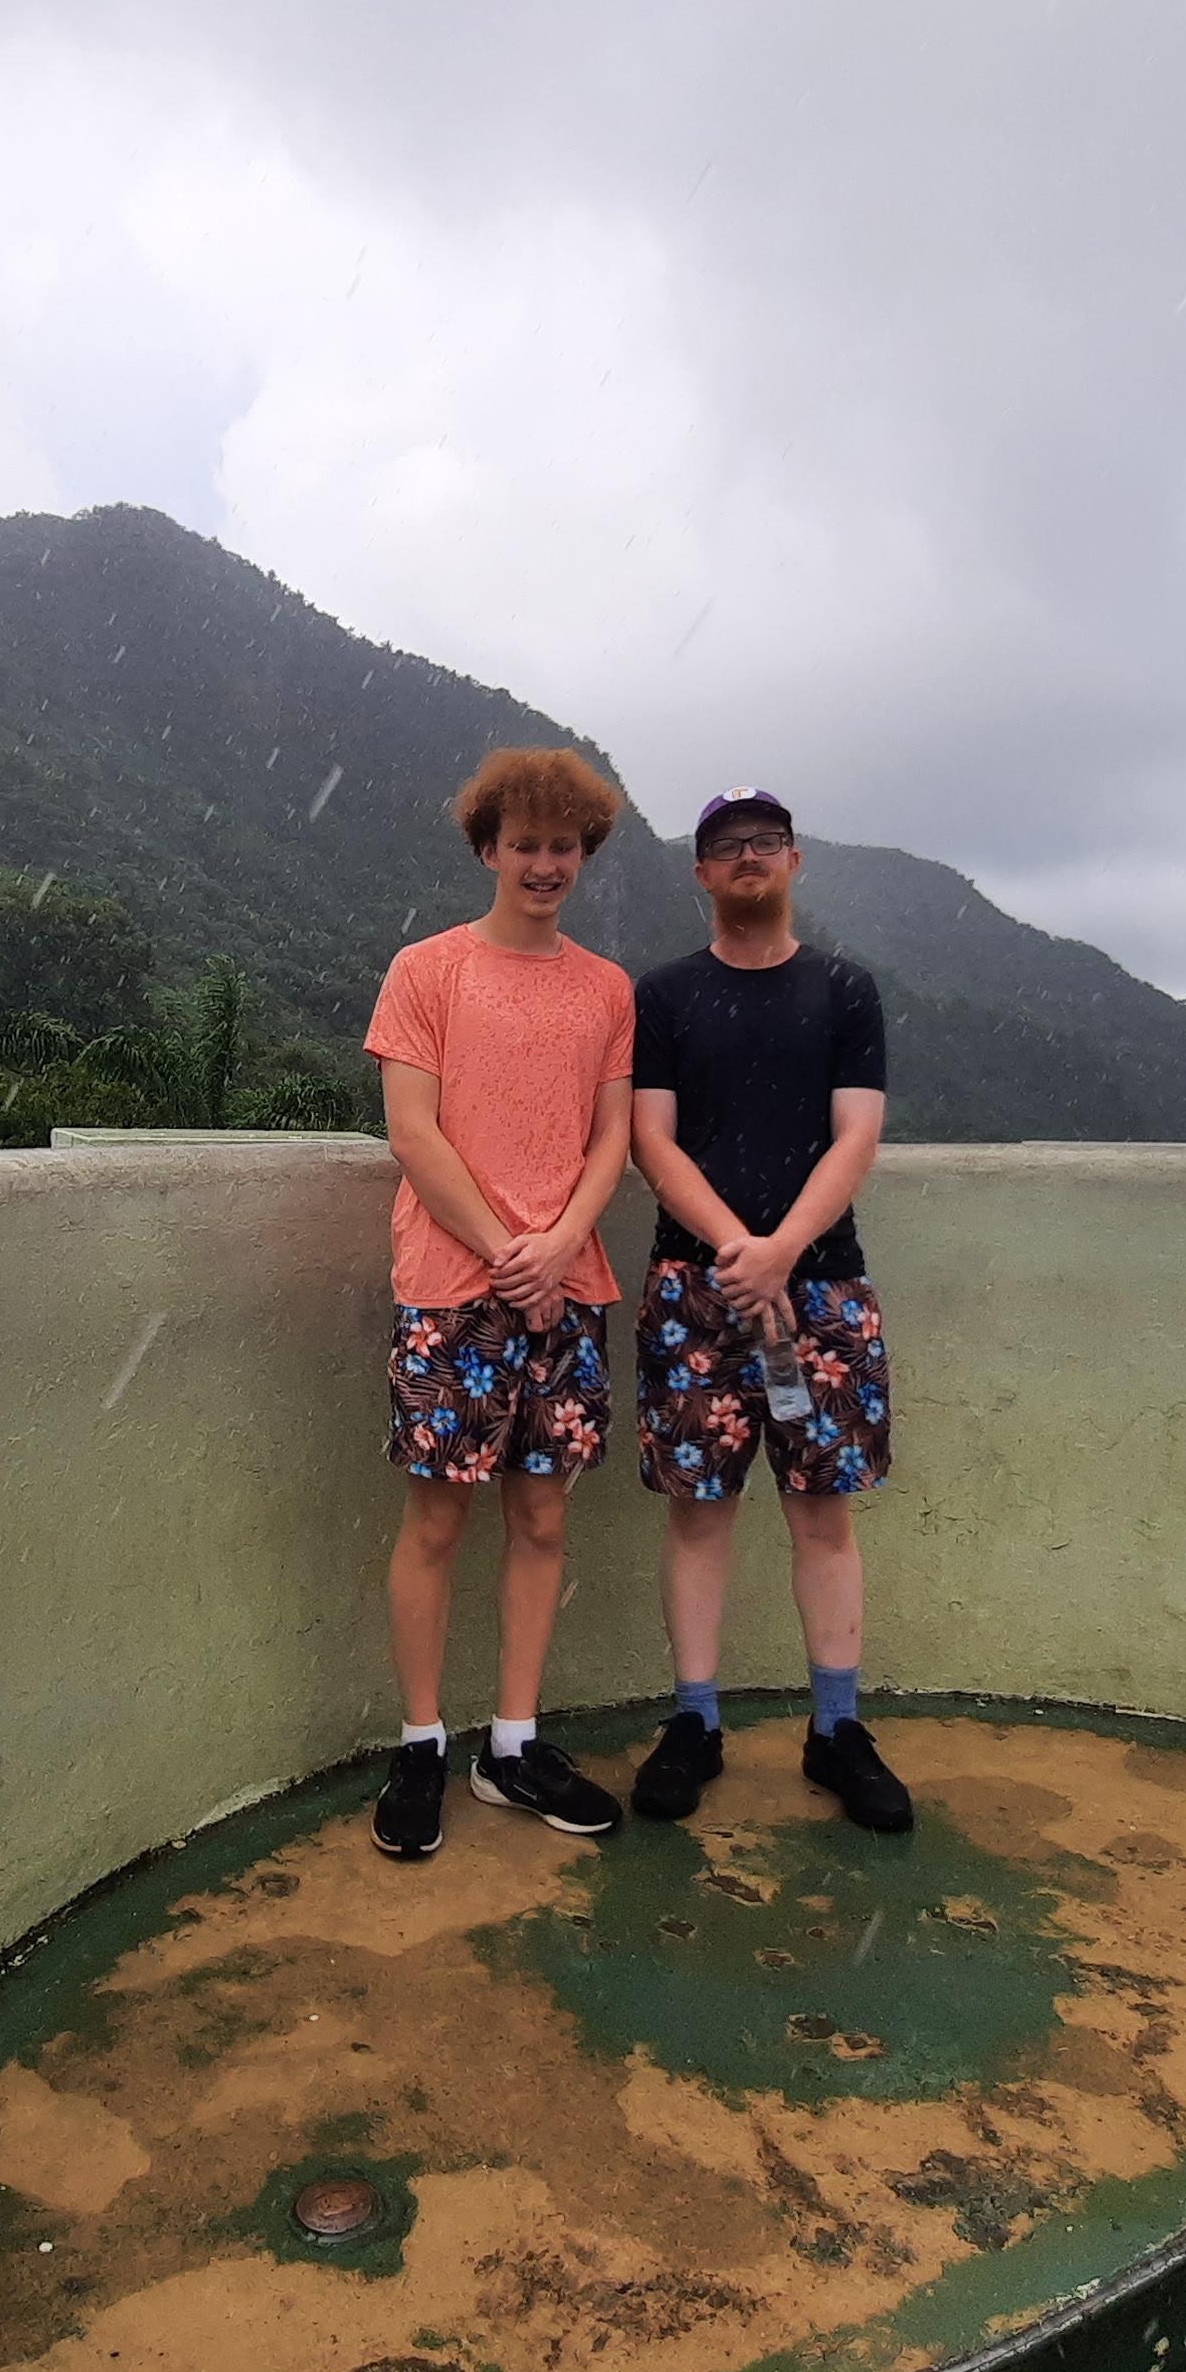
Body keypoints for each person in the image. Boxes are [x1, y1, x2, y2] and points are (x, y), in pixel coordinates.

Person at [361, 747, 637, 1862]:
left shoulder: (607, 989)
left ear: (583, 853)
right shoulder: (425, 971)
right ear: (487, 849)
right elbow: (412, 1131)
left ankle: (511, 1745)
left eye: (561, 845)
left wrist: (559, 1244)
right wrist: (500, 1248)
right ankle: (421, 1741)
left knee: (542, 1517)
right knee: (438, 1520)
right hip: (450, 1286)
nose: (543, 863)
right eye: (522, 843)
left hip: (565, 1291)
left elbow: (611, 1135)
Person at [626, 788, 912, 1833]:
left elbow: (856, 1137)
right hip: (690, 1295)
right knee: (697, 1513)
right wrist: (735, 1254)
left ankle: (836, 1729)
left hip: (821, 1294)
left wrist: (780, 1252)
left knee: (821, 1515)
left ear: (793, 863)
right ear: (700, 876)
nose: (746, 858)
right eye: (724, 848)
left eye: (764, 843)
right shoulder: (660, 997)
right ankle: (693, 1722)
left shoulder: (844, 991)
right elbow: (649, 1140)